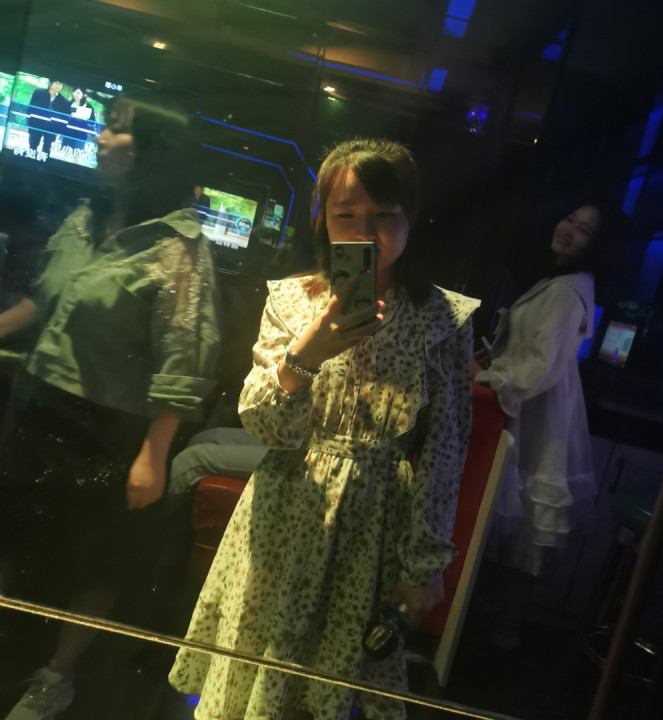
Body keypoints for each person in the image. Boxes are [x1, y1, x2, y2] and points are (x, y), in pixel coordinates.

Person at [169, 138, 480, 720]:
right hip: (284, 512)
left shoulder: (443, 318)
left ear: (411, 218)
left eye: (384, 215)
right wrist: (306, 355)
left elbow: (446, 449)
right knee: (257, 666)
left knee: (330, 687)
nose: (366, 232)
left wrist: (424, 565)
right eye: (346, 215)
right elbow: (265, 426)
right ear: (323, 220)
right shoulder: (291, 300)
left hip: (372, 523)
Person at [0, 95, 221, 720]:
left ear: (151, 150)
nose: (99, 137)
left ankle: (57, 677)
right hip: (38, 403)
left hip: (107, 428)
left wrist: (154, 454)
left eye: (116, 130)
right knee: (13, 535)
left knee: (92, 561)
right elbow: (44, 301)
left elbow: (185, 358)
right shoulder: (85, 216)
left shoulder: (177, 247)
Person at [472, 202, 625, 651]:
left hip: (540, 414)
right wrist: (493, 360)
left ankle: (504, 635)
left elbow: (538, 368)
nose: (570, 230)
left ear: (597, 247)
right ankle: (492, 622)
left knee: (529, 526)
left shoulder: (565, 291)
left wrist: (487, 375)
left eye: (585, 230)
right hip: (537, 409)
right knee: (521, 523)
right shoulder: (561, 281)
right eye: (570, 220)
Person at [27, 80, 71, 156]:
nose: (59, 86)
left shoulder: (64, 101)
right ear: (51, 83)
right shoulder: (39, 93)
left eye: (61, 84)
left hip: (51, 128)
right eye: (57, 83)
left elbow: (64, 117)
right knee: (33, 147)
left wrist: (59, 130)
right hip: (37, 125)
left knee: (46, 149)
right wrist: (30, 122)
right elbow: (31, 108)